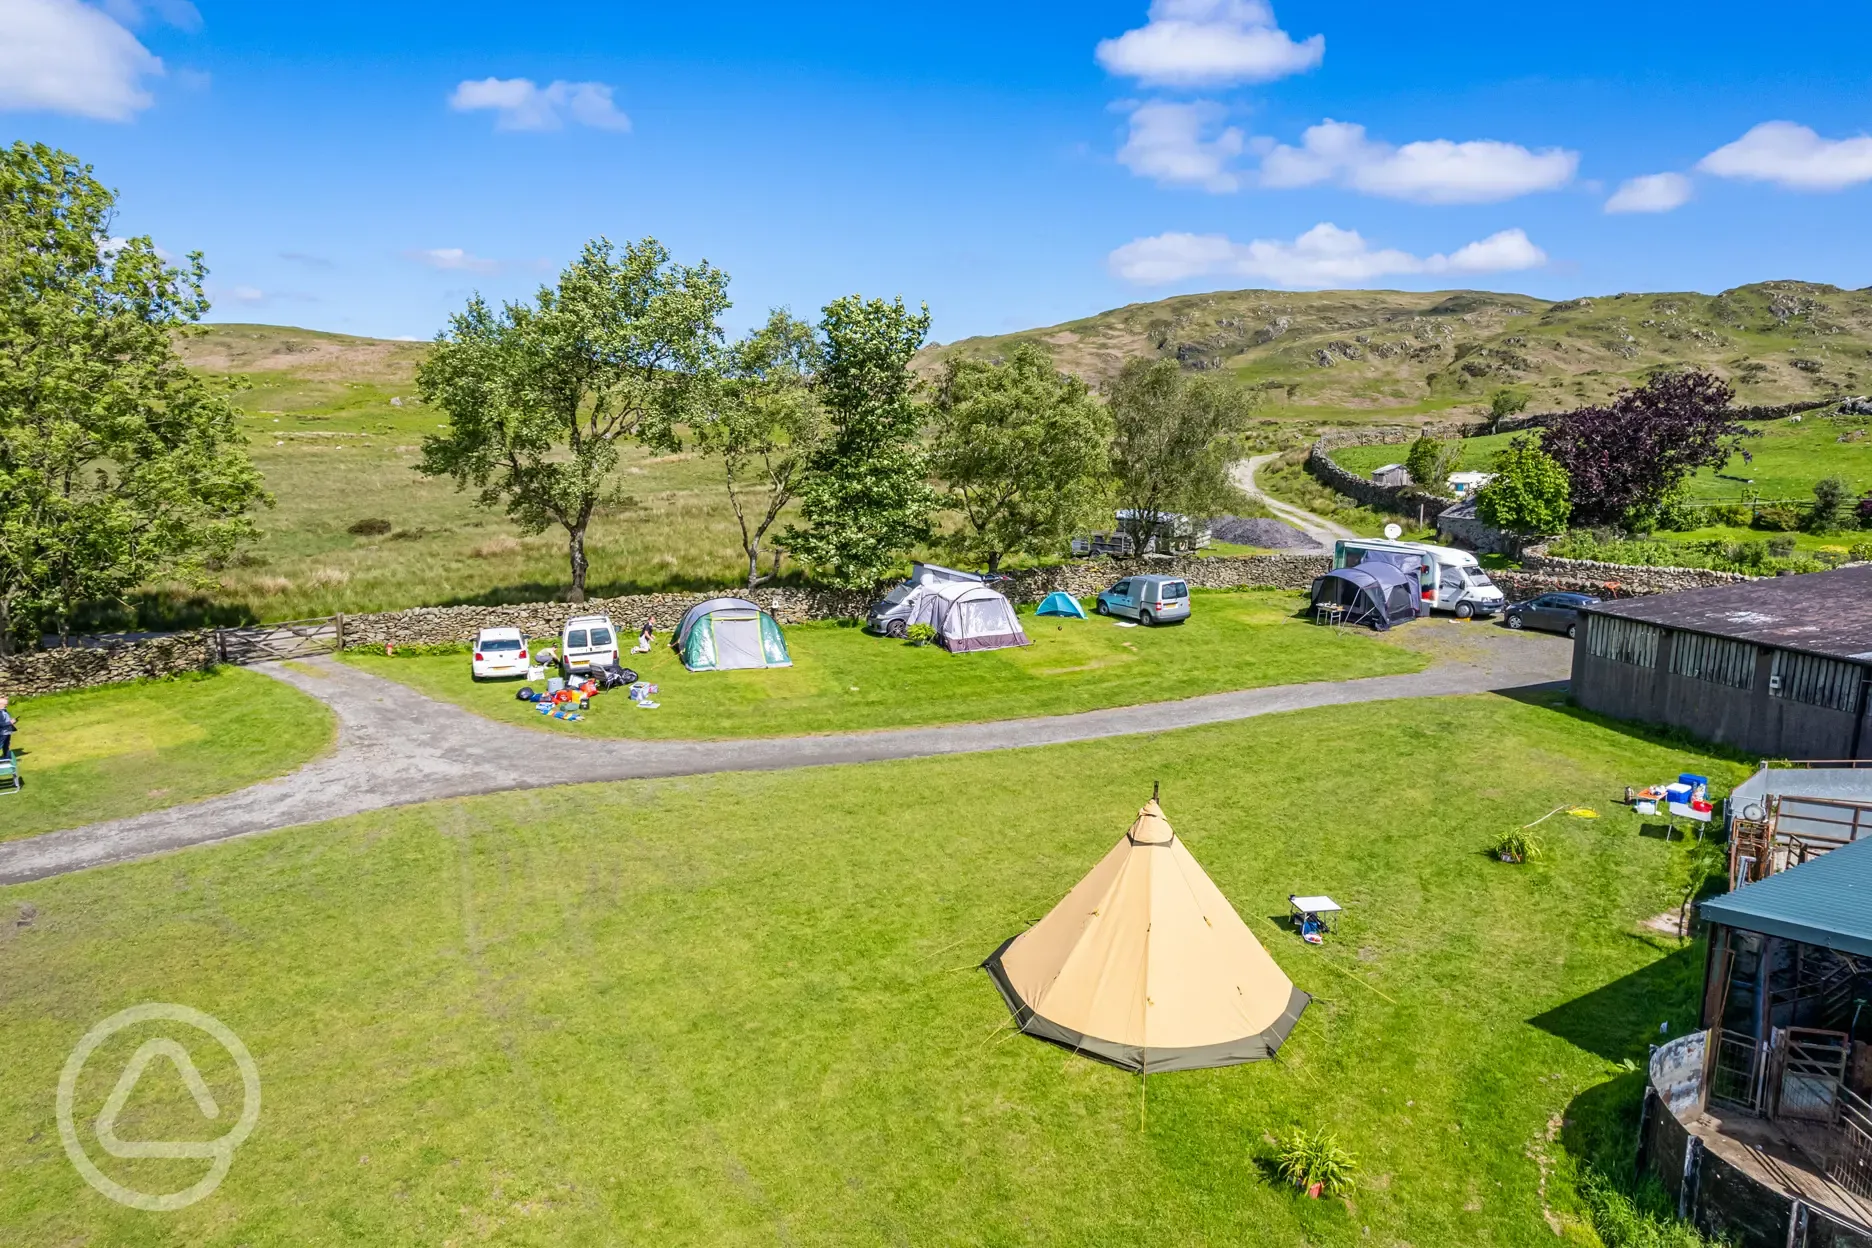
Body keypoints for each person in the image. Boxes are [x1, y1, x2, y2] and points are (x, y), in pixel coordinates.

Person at [0, 695, 16, 760]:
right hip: (2, 732)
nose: (6, 706)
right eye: (5, 704)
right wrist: (10, 722)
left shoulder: (4, 711)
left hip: (7, 731)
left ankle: (6, 757)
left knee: (6, 745)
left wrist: (11, 721)